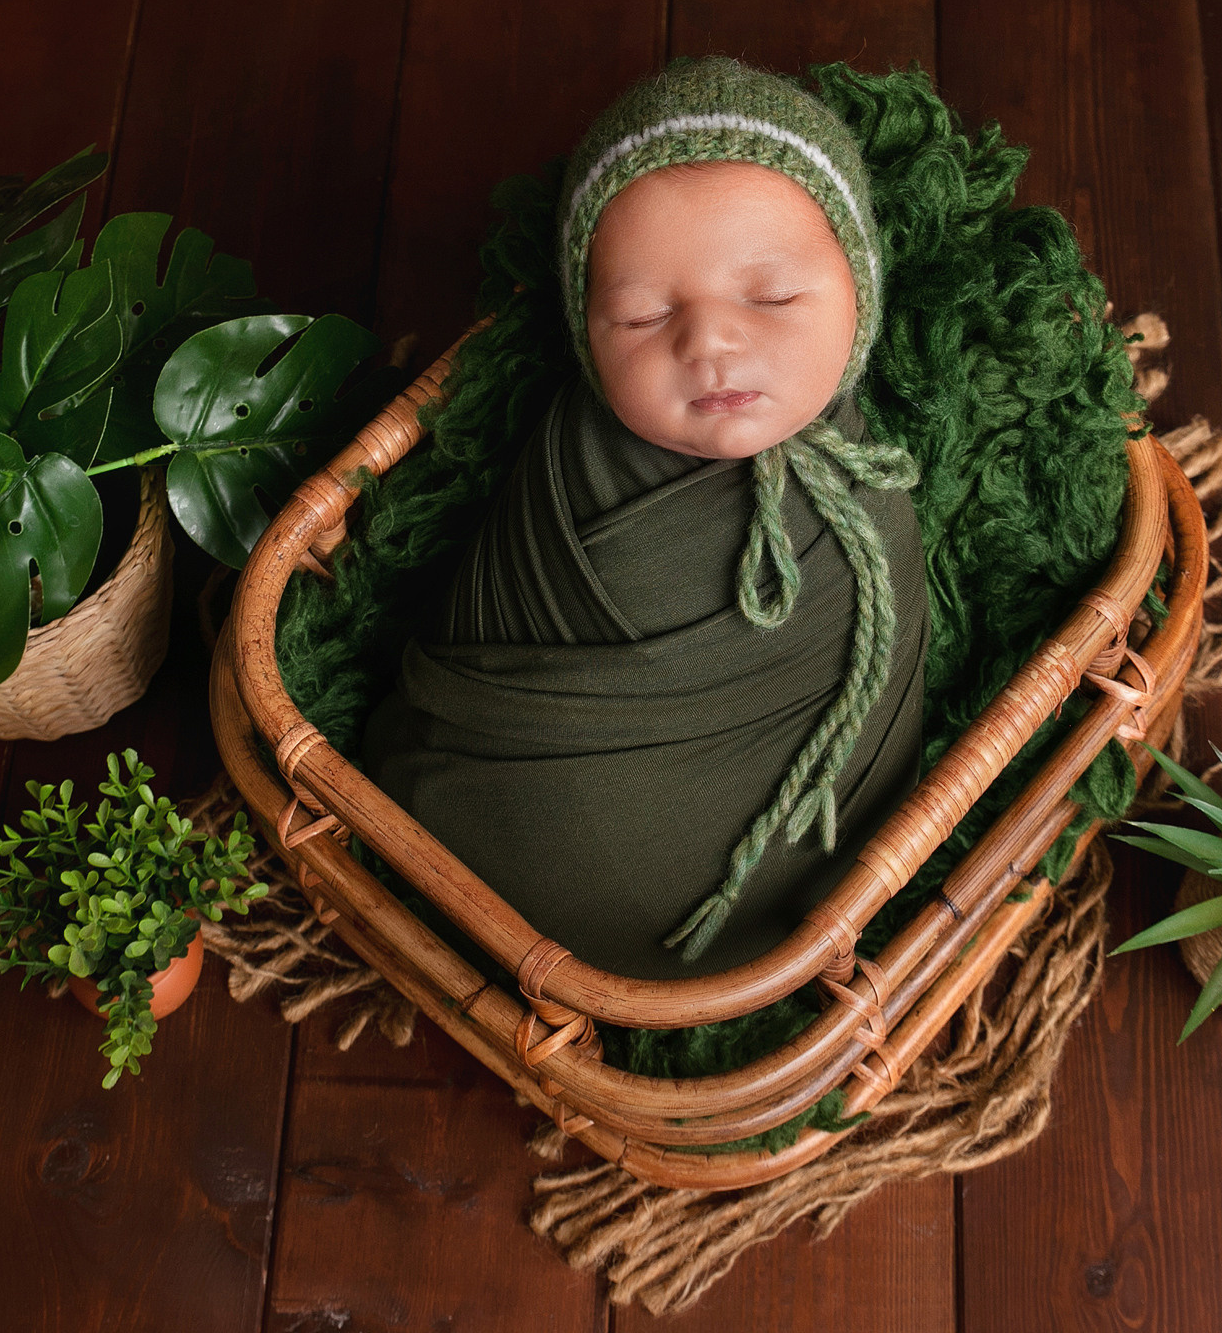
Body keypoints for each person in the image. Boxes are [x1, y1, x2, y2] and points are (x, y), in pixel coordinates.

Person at [361, 57, 930, 979]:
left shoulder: (870, 477)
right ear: (586, 337)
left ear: (859, 292)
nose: (707, 340)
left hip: (792, 904)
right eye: (639, 316)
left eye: (773, 296)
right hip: (506, 810)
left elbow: (889, 656)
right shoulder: (570, 470)